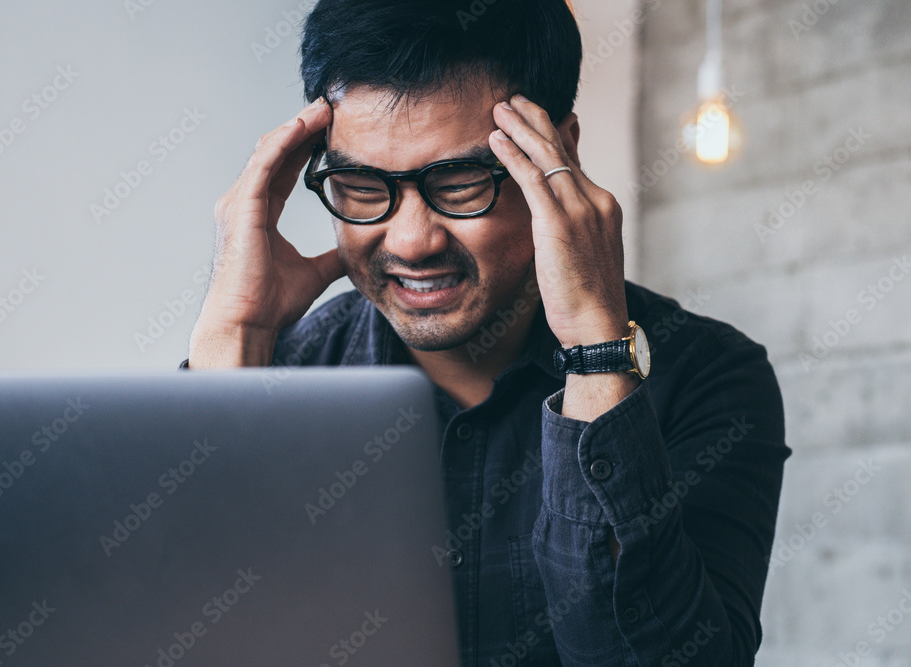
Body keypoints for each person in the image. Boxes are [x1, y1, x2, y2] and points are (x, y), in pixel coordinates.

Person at [182, 0, 791, 664]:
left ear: (558, 154)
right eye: (360, 185)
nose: (412, 241)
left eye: (461, 181)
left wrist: (596, 351)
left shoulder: (707, 375)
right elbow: (182, 638)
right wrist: (235, 335)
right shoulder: (268, 373)